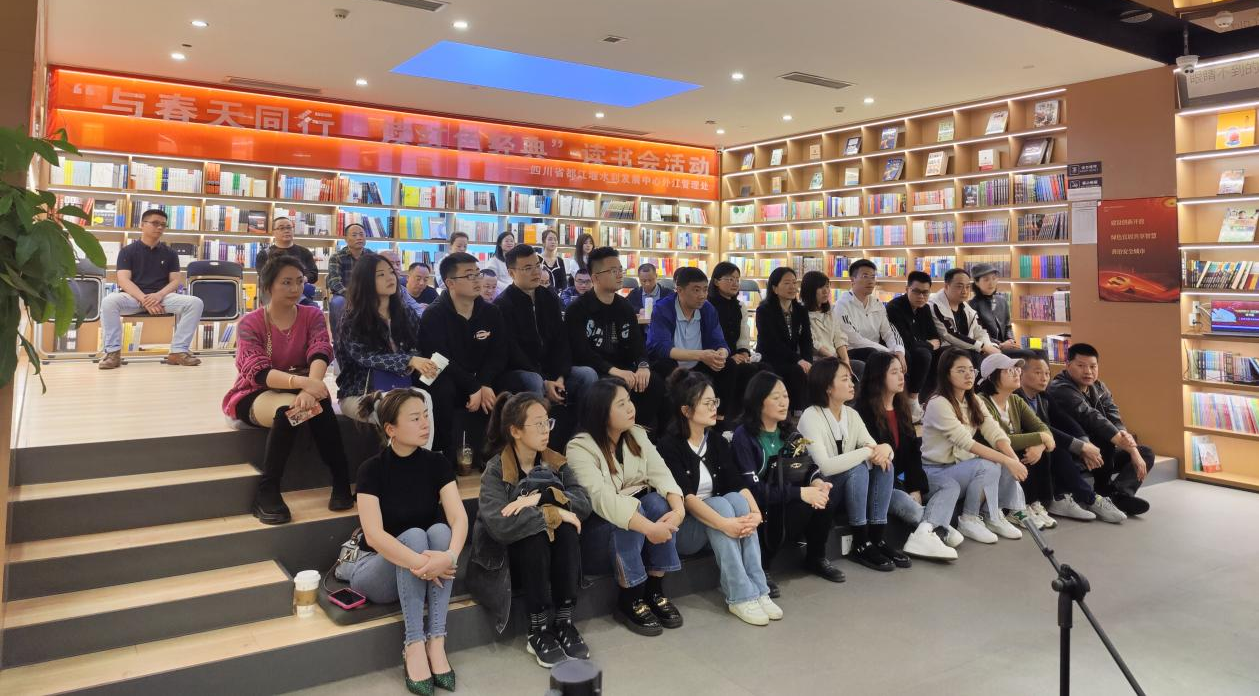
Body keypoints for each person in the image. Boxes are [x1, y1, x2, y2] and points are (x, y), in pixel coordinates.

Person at [343, 389, 468, 694]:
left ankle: (436, 641)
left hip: (422, 568)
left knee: (440, 532)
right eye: (415, 418)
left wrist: (449, 557)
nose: (425, 423)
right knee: (414, 536)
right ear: (391, 429)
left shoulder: (437, 463)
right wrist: (426, 564)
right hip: (376, 571)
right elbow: (374, 536)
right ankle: (413, 644)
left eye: (426, 415)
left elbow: (459, 518)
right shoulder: (371, 469)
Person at [221, 257, 351, 524]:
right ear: (269, 286)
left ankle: (341, 479)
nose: (295, 288)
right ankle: (268, 489)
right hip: (257, 391)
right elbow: (257, 371)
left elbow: (321, 350)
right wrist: (303, 385)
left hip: (305, 388)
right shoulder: (250, 322)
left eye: (300, 282)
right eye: (287, 282)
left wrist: (311, 388)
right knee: (289, 411)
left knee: (317, 406)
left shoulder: (312, 314)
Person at [468, 393, 592, 667]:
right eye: (538, 424)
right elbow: (501, 526)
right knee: (535, 534)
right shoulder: (495, 470)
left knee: (566, 530)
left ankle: (564, 622)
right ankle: (537, 629)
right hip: (507, 559)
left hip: (551, 554)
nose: (546, 430)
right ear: (515, 431)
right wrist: (554, 512)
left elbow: (584, 503)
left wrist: (541, 498)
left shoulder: (556, 462)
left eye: (548, 422)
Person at [657, 370, 781, 626]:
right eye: (707, 403)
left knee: (737, 500)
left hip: (721, 522)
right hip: (686, 528)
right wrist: (725, 524)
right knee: (722, 504)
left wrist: (755, 513)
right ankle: (739, 596)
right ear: (686, 410)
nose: (714, 408)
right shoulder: (669, 446)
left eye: (715, 401)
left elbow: (738, 484)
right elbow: (687, 498)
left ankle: (759, 589)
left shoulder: (717, 442)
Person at [566, 378, 686, 636]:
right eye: (621, 404)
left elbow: (661, 474)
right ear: (601, 412)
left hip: (634, 530)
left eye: (629, 400)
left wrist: (678, 511)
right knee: (631, 510)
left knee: (658, 503)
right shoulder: (579, 447)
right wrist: (650, 529)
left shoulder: (636, 434)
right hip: (596, 538)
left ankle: (654, 591)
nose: (630, 408)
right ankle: (629, 597)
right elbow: (602, 500)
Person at [730, 371, 846, 591]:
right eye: (776, 397)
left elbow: (808, 465)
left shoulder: (789, 431)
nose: (784, 402)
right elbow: (752, 490)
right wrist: (801, 493)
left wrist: (817, 483)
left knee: (824, 498)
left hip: (786, 496)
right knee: (800, 504)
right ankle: (761, 565)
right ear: (758, 401)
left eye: (785, 396)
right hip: (759, 504)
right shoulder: (744, 436)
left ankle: (816, 557)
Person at [797, 357, 912, 572]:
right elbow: (825, 467)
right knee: (859, 468)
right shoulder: (810, 416)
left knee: (885, 465)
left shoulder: (851, 414)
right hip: (824, 492)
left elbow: (876, 450)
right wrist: (868, 451)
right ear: (827, 387)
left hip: (854, 491)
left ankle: (877, 538)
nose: (852, 384)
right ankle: (861, 541)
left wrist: (886, 448)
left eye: (851, 379)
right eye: (845, 379)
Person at [855, 351, 959, 560]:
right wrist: (907, 489)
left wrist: (916, 487)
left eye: (901, 372)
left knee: (950, 485)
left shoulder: (902, 408)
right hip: (880, 483)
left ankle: (929, 531)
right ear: (878, 376)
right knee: (907, 505)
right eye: (894, 372)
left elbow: (913, 453)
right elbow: (875, 458)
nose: (901, 377)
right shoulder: (863, 411)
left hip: (904, 480)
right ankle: (940, 529)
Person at [494, 244, 598, 445]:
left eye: (537, 265)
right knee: (533, 381)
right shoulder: (502, 305)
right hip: (520, 372)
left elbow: (561, 340)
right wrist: (544, 381)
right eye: (527, 268)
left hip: (552, 372)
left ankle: (582, 437)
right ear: (511, 273)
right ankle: (538, 442)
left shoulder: (548, 296)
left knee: (587, 375)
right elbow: (513, 352)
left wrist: (559, 376)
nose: (535, 272)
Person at [921, 348, 1026, 544]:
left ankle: (993, 515)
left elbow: (994, 431)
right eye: (961, 370)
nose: (969, 375)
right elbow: (966, 442)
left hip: (961, 468)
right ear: (946, 374)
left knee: (1004, 460)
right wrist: (1008, 461)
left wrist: (1013, 458)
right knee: (991, 464)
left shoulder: (974, 400)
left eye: (971, 370)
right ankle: (969, 518)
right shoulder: (938, 403)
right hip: (935, 471)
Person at [334, 255, 445, 435]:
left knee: (426, 399)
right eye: (381, 274)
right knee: (400, 409)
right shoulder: (353, 317)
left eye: (391, 272)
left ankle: (422, 453)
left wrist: (420, 362)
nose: (390, 278)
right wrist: (409, 360)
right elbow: (366, 357)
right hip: (361, 391)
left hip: (401, 384)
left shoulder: (404, 311)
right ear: (365, 281)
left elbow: (417, 344)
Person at [418, 252, 507, 469]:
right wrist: (473, 386)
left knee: (512, 383)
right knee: (442, 388)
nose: (477, 280)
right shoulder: (434, 314)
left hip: (480, 378)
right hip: (447, 376)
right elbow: (440, 359)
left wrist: (484, 382)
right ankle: (445, 459)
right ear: (450, 283)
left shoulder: (491, 312)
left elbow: (499, 353)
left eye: (478, 273)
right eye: (469, 276)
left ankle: (497, 456)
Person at [1017, 353, 1127, 524]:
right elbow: (1038, 428)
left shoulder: (1042, 396)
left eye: (1047, 373)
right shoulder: (1016, 397)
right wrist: (1080, 447)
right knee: (1058, 449)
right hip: (1020, 446)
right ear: (1021, 373)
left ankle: (1104, 493)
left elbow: (1064, 420)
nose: (1044, 378)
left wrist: (1085, 443)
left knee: (1099, 443)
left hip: (1040, 441)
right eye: (1038, 373)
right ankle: (1086, 498)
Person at [1047, 343, 1155, 516]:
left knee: (1146, 453)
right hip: (1076, 451)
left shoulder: (1099, 387)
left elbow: (1114, 416)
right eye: (1081, 366)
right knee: (1106, 439)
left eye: (1093, 366)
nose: (1088, 371)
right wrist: (1131, 450)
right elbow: (1093, 418)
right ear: (1068, 365)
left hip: (1100, 455)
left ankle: (1119, 495)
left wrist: (1130, 443)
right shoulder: (1060, 388)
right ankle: (1104, 490)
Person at [565, 247, 664, 433]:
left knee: (653, 381)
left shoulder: (624, 306)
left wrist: (643, 365)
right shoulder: (577, 309)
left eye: (620, 270)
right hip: (595, 369)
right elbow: (581, 352)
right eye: (613, 271)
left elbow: (637, 344)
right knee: (611, 386)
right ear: (595, 278)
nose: (619, 275)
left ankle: (636, 433)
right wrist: (616, 371)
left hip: (623, 367)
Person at [98, 208, 204, 369]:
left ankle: (178, 351)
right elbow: (123, 280)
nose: (160, 227)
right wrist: (144, 299)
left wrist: (158, 296)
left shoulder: (170, 253)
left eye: (163, 224)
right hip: (133, 298)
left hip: (162, 299)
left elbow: (175, 281)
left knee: (195, 302)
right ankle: (113, 353)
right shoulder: (127, 251)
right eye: (155, 223)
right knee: (109, 301)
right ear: (142, 225)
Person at [645, 266, 737, 422]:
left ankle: (719, 421)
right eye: (696, 290)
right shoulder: (663, 308)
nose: (702, 295)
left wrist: (722, 353)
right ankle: (673, 424)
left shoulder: (707, 309)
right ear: (680, 290)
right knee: (665, 366)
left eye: (705, 290)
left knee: (728, 365)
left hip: (700, 362)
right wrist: (700, 355)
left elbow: (719, 341)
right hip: (672, 363)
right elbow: (661, 347)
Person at [975, 353, 1056, 529]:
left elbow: (1043, 428)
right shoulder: (981, 401)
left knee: (1036, 451)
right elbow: (1001, 440)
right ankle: (1016, 508)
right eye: (1009, 370)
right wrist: (1042, 438)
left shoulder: (1015, 400)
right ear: (992, 376)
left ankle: (1032, 503)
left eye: (1017, 369)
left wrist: (1040, 445)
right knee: (1021, 449)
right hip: (989, 457)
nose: (1017, 373)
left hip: (1010, 454)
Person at [706, 262, 759, 423]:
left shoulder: (740, 306)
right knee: (730, 367)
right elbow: (709, 337)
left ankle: (743, 417)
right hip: (714, 355)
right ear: (716, 281)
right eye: (730, 279)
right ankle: (721, 417)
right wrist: (729, 356)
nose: (735, 283)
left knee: (755, 369)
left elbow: (743, 334)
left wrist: (743, 352)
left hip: (734, 354)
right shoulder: (707, 305)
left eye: (737, 279)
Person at [754, 267, 813, 411]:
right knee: (795, 371)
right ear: (775, 288)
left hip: (792, 359)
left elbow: (806, 340)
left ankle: (801, 411)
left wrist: (808, 361)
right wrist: (798, 360)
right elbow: (772, 343)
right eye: (787, 283)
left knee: (806, 370)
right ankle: (794, 412)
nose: (792, 287)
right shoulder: (764, 310)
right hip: (771, 358)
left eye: (794, 282)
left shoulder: (801, 310)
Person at [885, 271, 942, 409]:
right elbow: (905, 341)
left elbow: (936, 338)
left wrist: (926, 344)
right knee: (922, 354)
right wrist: (928, 344)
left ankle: (934, 400)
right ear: (907, 289)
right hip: (899, 348)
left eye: (925, 293)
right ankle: (912, 401)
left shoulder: (925, 308)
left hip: (919, 348)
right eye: (916, 291)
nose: (921, 296)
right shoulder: (894, 307)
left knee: (946, 353)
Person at [929, 268, 999, 361]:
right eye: (959, 286)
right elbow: (949, 335)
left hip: (966, 349)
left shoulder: (966, 307)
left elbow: (979, 331)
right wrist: (982, 347)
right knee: (975, 356)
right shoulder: (935, 305)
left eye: (967, 287)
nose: (965, 291)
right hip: (944, 351)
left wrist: (989, 346)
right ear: (946, 286)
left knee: (1004, 353)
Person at [254, 216, 318, 306]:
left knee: (312, 306)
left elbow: (313, 274)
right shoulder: (264, 254)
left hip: (300, 290)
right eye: (281, 228)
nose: (286, 231)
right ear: (274, 232)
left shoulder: (304, 252)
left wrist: (303, 279)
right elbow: (264, 277)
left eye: (289, 227)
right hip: (274, 294)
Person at [800, 270, 856, 371]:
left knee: (860, 365)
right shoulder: (802, 314)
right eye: (821, 287)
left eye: (827, 286)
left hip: (834, 358)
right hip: (816, 361)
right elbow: (813, 344)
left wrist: (845, 360)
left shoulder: (830, 311)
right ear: (809, 290)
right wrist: (836, 361)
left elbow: (838, 337)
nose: (826, 291)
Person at [326, 222, 372, 340]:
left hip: (367, 295)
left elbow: (376, 279)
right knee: (337, 303)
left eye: (361, 234)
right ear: (346, 239)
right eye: (354, 235)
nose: (359, 237)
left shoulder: (371, 256)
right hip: (344, 295)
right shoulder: (337, 257)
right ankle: (339, 341)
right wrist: (351, 296)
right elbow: (334, 282)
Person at [968, 264, 1020, 353]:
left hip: (1006, 346)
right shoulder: (972, 305)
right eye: (986, 279)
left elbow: (1008, 326)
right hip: (988, 349)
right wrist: (1000, 345)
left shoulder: (1002, 301)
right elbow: (978, 333)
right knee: (1028, 355)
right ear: (976, 282)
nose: (991, 283)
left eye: (994, 278)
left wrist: (1011, 340)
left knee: (1037, 352)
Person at [538, 228, 576, 292]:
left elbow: (564, 283)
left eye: (555, 240)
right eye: (550, 239)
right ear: (543, 242)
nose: (553, 242)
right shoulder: (537, 259)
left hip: (558, 295)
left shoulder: (560, 260)